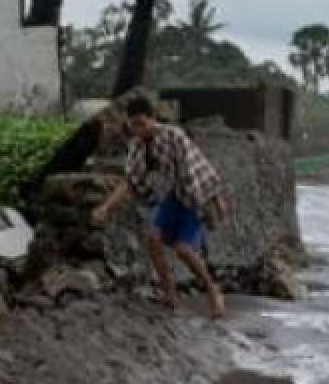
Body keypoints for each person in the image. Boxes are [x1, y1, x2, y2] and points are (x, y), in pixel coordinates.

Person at [91, 95, 229, 319]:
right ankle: (170, 294)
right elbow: (130, 181)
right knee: (152, 238)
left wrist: (216, 201)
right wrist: (105, 207)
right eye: (133, 125)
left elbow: (200, 168)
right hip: (174, 196)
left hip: (194, 197)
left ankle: (212, 290)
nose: (138, 130)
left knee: (183, 250)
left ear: (152, 119)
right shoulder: (137, 145)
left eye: (142, 124)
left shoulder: (174, 136)